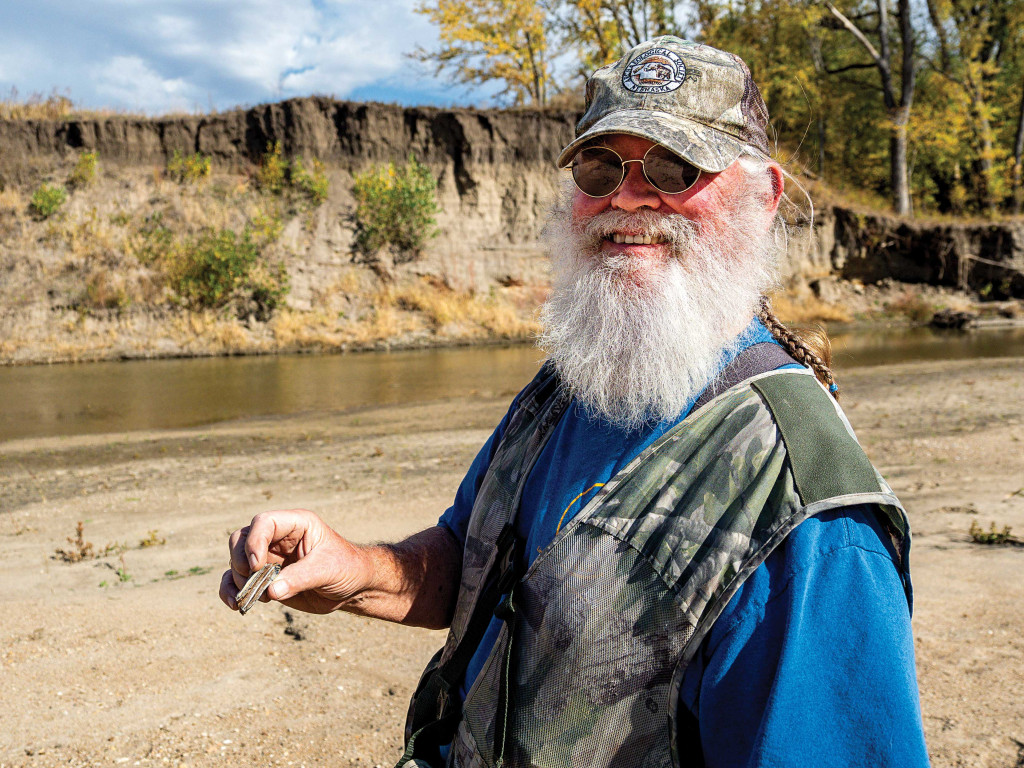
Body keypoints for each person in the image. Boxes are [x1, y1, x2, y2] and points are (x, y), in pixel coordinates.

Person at [221, 36, 930, 768]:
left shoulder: (810, 519)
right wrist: (357, 572)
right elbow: (475, 562)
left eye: (674, 165)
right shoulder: (574, 383)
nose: (627, 194)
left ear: (763, 197)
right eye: (600, 165)